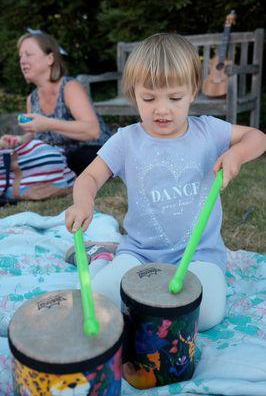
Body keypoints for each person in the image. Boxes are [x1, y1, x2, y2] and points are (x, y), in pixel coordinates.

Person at [65, 33, 266, 331]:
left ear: (192, 91)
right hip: (140, 251)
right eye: (149, 98)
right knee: (100, 299)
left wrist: (237, 153)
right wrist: (83, 203)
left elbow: (258, 137)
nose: (162, 109)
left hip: (200, 253)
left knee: (206, 315)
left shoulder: (208, 131)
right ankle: (102, 257)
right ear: (134, 94)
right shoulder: (126, 141)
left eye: (174, 98)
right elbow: (90, 177)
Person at [0, 31, 112, 175]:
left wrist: (47, 124)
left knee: (78, 158)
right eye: (21, 56)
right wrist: (18, 139)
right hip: (59, 158)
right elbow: (35, 136)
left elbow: (92, 130)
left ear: (50, 58)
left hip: (92, 153)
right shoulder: (32, 99)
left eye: (29, 54)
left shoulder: (69, 86)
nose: (22, 61)